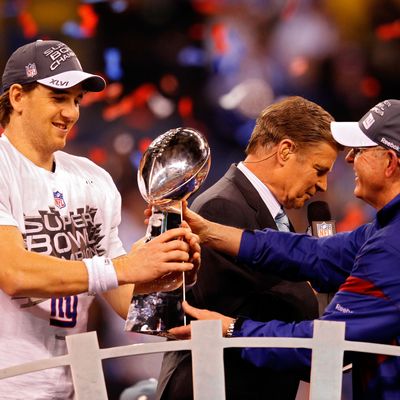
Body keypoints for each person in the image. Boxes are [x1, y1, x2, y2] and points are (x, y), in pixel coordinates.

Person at [0, 39, 200, 400]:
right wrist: (124, 267)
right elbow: (15, 274)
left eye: (76, 100)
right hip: (9, 382)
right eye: (58, 97)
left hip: (78, 382)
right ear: (17, 97)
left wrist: (163, 272)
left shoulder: (92, 178)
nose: (72, 112)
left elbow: (122, 298)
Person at [170, 99, 400, 400]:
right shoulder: (384, 232)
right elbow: (314, 253)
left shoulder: (391, 247)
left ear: (391, 162)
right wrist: (210, 230)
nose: (349, 159)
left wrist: (232, 329)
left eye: (361, 150)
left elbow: (324, 345)